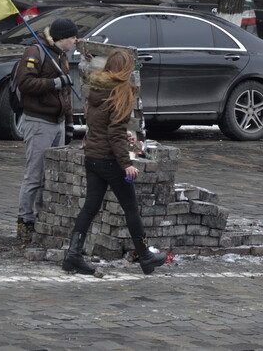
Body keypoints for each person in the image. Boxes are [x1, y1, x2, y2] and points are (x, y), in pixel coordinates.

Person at [62, 48, 168, 275]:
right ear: (126, 69)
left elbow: (96, 126)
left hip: (93, 157)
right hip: (110, 160)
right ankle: (145, 256)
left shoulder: (96, 88)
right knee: (131, 208)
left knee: (90, 207)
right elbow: (116, 133)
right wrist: (126, 164)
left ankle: (72, 255)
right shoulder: (121, 92)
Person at [15, 17, 77, 243]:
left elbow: (66, 93)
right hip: (39, 121)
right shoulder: (36, 52)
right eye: (72, 37)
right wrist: (54, 83)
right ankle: (25, 221)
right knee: (34, 175)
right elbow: (26, 84)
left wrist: (69, 123)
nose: (75, 41)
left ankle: (43, 217)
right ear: (62, 38)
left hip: (58, 122)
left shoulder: (61, 55)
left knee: (50, 176)